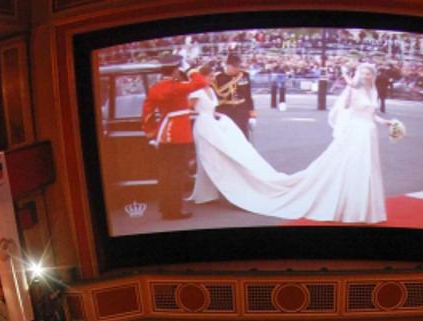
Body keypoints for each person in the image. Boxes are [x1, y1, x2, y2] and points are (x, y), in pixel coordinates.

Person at [188, 62, 391, 224]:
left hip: (368, 134)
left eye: (369, 73)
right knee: (351, 167)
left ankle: (362, 206)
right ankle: (351, 206)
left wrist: (388, 122)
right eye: (364, 73)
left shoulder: (372, 92)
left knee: (365, 169)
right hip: (355, 133)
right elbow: (346, 111)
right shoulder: (353, 91)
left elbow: (371, 115)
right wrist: (349, 84)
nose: (367, 77)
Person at [141, 60, 209, 220]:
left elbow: (147, 113)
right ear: (174, 71)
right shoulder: (178, 87)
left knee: (165, 175)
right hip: (179, 135)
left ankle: (165, 209)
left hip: (164, 135)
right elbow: (201, 81)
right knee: (177, 175)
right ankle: (174, 211)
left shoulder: (155, 88)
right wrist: (191, 69)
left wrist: (150, 133)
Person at [213, 53, 255, 139]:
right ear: (228, 65)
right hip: (225, 110)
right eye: (235, 66)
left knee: (243, 135)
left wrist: (252, 114)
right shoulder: (218, 78)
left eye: (239, 66)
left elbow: (248, 95)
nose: (238, 69)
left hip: (241, 109)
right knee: (226, 136)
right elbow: (215, 97)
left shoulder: (244, 75)